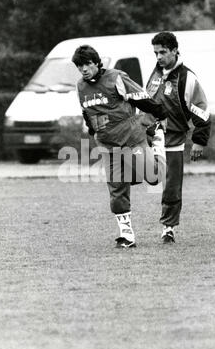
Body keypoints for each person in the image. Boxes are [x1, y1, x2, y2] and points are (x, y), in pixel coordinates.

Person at [72, 45, 168, 248]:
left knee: (154, 178)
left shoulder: (116, 78)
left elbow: (140, 98)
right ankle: (127, 235)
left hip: (131, 138)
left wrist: (160, 114)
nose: (84, 69)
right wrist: (92, 129)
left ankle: (157, 139)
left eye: (87, 64)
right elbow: (86, 112)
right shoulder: (81, 86)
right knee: (116, 190)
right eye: (80, 66)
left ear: (97, 62)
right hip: (108, 145)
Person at [145, 32, 211, 244]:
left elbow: (201, 109)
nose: (158, 56)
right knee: (141, 175)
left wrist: (199, 140)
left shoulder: (187, 77)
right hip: (150, 137)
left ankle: (168, 227)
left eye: (163, 52)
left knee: (171, 185)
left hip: (173, 139)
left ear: (174, 50)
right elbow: (146, 102)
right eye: (155, 52)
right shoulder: (155, 74)